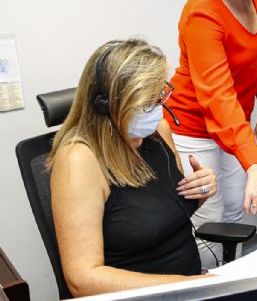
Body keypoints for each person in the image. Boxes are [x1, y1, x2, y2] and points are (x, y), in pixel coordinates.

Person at [49, 39, 217, 297]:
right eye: (145, 103)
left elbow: (159, 213)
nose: (157, 109)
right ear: (105, 105)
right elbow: (82, 279)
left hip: (189, 288)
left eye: (159, 96)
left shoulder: (158, 132)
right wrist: (186, 285)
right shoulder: (79, 161)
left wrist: (200, 191)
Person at [164, 0, 257, 268]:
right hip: (194, 129)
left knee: (235, 216)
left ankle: (231, 287)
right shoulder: (203, 12)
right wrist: (256, 164)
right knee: (207, 225)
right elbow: (217, 96)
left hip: (233, 129)